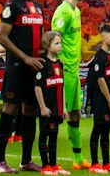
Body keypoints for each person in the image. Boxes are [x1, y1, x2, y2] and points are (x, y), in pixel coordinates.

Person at [0, 0, 47, 173]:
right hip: (17, 67)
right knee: (9, 109)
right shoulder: (13, 5)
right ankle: (0, 161)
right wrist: (25, 58)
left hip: (34, 68)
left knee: (30, 111)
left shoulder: (38, 7)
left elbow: (40, 37)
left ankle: (26, 161)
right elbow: (2, 37)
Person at [50, 0, 87, 171]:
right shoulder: (62, 12)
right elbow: (54, 39)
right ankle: (51, 161)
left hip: (74, 71)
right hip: (63, 72)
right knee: (57, 116)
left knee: (75, 114)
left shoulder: (76, 11)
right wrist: (58, 65)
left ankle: (78, 159)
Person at [85, 24, 110, 173]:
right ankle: (94, 164)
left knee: (106, 131)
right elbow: (100, 81)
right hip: (102, 99)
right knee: (98, 129)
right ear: (102, 37)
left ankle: (106, 163)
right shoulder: (99, 57)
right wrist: (109, 101)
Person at [34, 30, 68, 174]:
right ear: (47, 45)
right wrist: (42, 107)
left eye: (60, 43)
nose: (60, 46)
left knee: (54, 136)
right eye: (57, 43)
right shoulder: (43, 64)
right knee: (44, 135)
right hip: (47, 108)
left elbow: (62, 86)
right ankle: (45, 165)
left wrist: (64, 107)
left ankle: (53, 164)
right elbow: (37, 87)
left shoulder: (59, 64)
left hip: (57, 107)